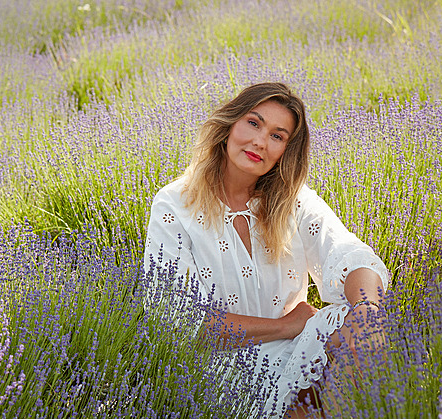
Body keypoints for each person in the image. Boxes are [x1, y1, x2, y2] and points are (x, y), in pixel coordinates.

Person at [143, 82, 388, 418]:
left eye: (277, 135)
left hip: (296, 349)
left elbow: (346, 252)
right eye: (254, 123)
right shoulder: (174, 205)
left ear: (286, 151)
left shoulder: (292, 200)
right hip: (216, 368)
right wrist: (287, 325)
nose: (260, 141)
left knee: (353, 321)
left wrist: (367, 311)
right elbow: (182, 324)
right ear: (231, 124)